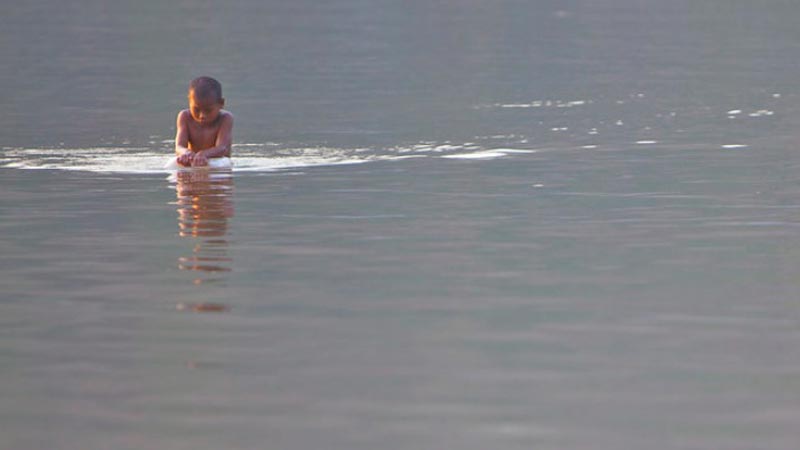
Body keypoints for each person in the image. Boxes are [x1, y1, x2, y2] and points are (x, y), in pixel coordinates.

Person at [175, 76, 234, 167]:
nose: (202, 115)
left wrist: (204, 154)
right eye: (196, 109)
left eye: (208, 110)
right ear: (189, 102)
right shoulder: (184, 117)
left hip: (218, 167)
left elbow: (222, 148)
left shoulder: (225, 118)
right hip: (192, 163)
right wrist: (186, 153)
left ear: (221, 103)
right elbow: (179, 146)